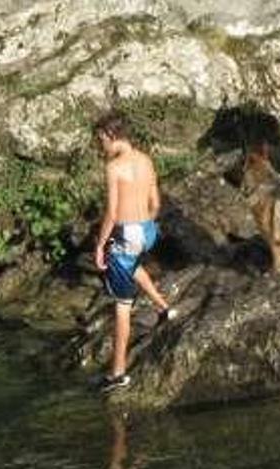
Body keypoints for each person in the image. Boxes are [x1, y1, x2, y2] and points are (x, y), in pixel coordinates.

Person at [93, 112, 175, 393]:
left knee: (122, 307)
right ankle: (165, 308)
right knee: (131, 263)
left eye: (101, 139)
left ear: (111, 135)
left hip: (127, 232)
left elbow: (113, 213)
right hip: (148, 231)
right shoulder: (146, 160)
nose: (100, 145)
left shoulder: (114, 167)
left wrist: (100, 244)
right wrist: (143, 226)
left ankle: (118, 374)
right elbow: (155, 202)